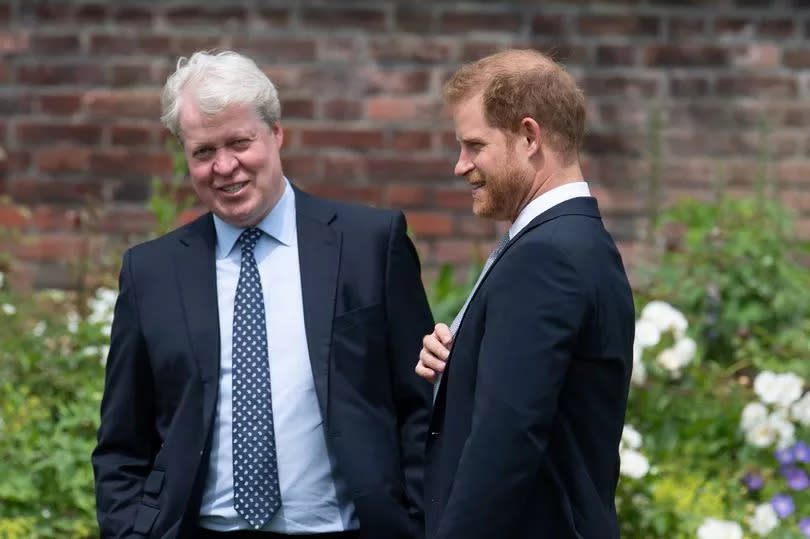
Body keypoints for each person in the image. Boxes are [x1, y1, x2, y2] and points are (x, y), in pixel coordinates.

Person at [92, 50, 434, 539]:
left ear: (276, 134)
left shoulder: (368, 245)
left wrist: (416, 521)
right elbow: (123, 441)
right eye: (204, 152)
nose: (225, 166)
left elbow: (421, 406)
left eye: (239, 142)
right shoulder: (151, 272)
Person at [414, 49, 635, 539]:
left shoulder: (546, 257)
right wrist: (461, 364)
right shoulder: (576, 243)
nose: (460, 165)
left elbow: (507, 438)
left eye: (475, 145)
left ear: (529, 136)